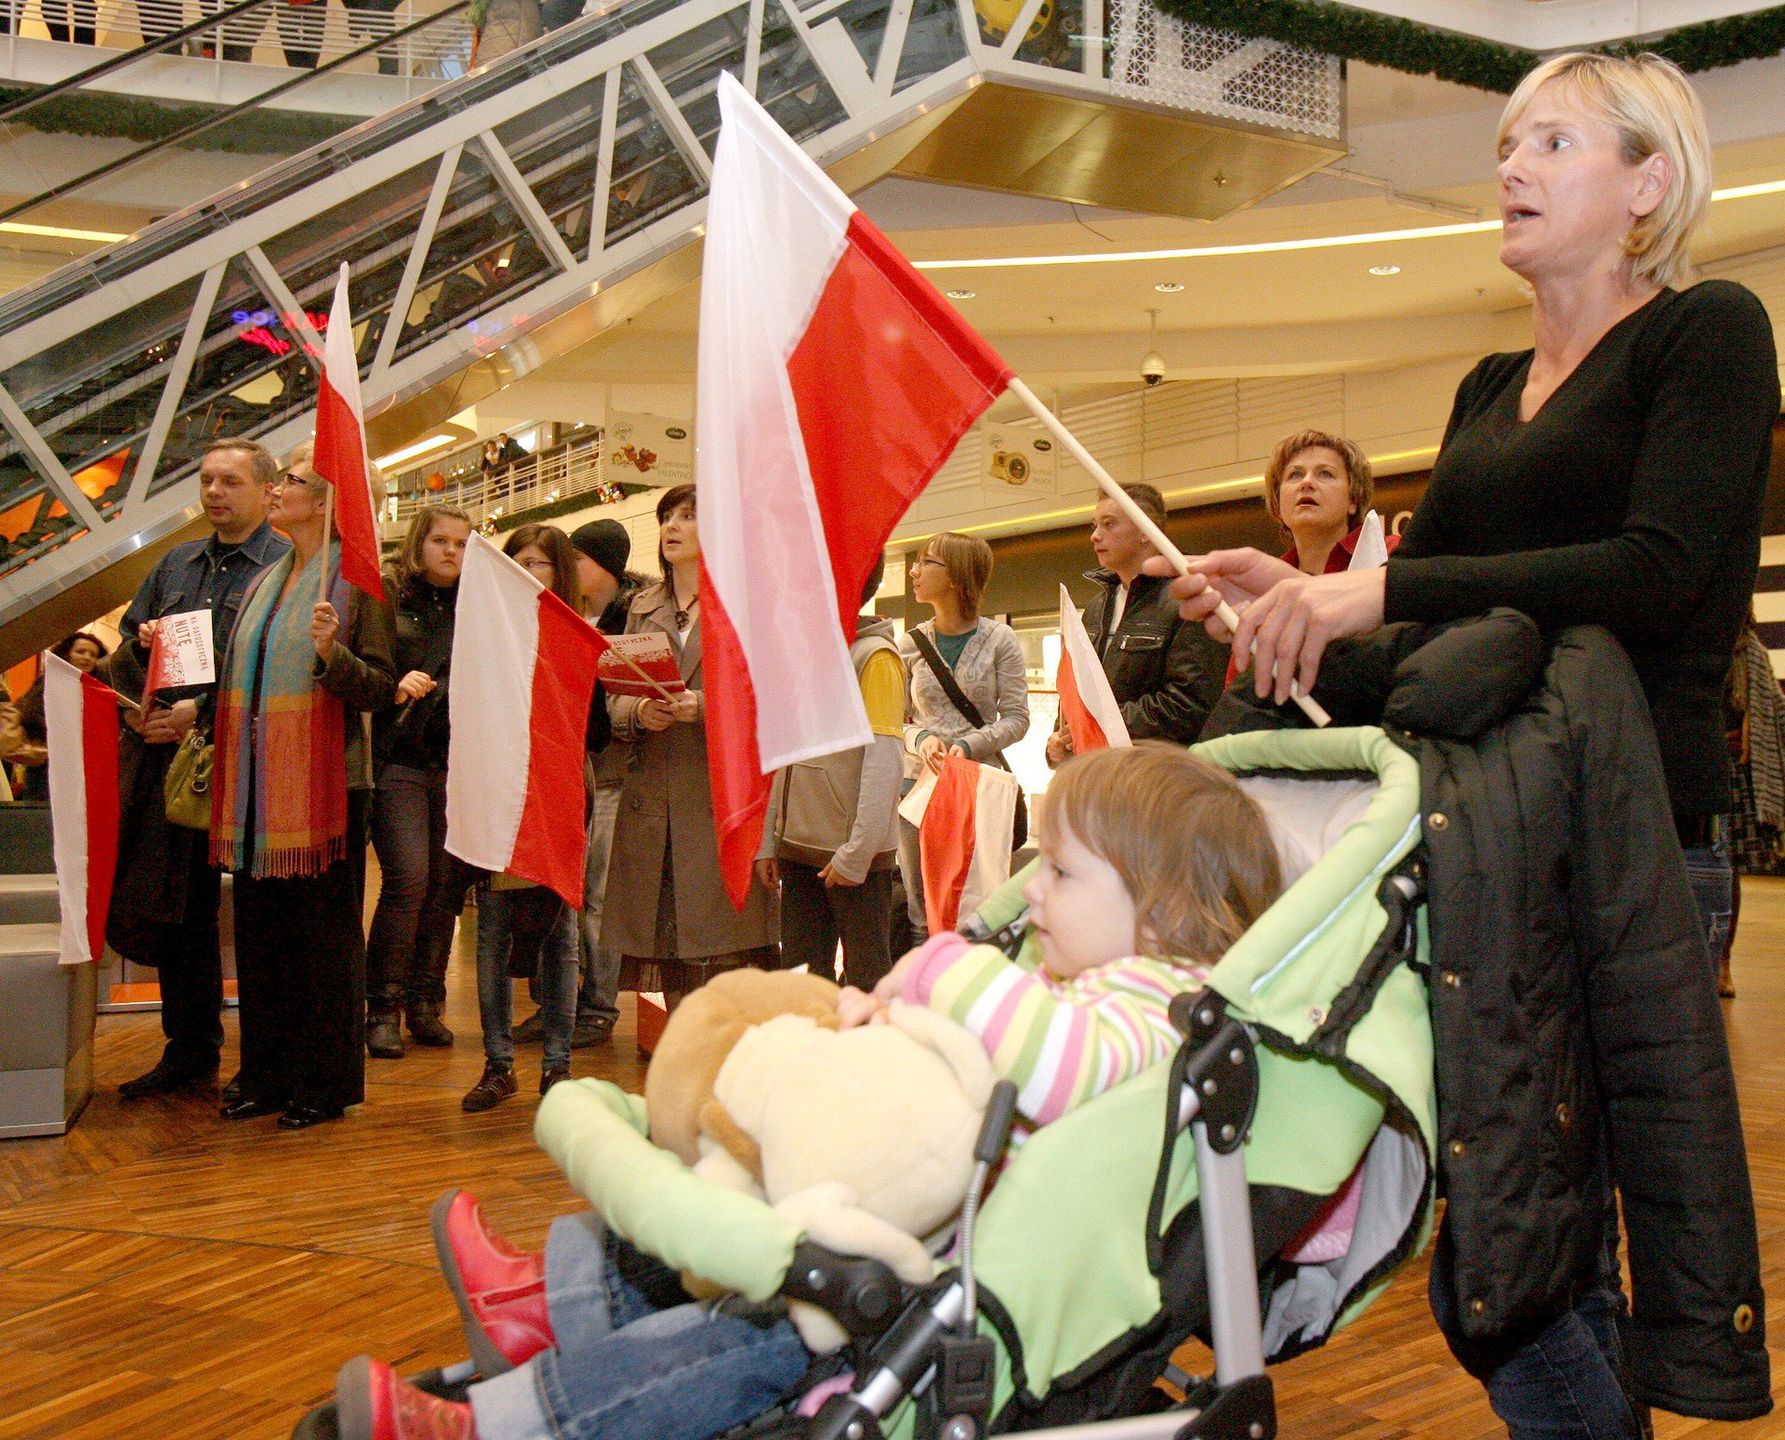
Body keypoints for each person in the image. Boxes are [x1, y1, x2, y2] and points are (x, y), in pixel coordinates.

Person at [1157, 51, 1778, 1437]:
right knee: (1524, 1244)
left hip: (1633, 850)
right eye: (1510, 141)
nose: (1510, 166)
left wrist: (1376, 587)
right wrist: (1292, 611)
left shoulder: (1708, 333)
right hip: (1491, 845)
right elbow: (1416, 636)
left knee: (1543, 1256)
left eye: (1552, 141)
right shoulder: (1490, 383)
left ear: (1647, 183)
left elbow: (1659, 568)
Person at [334, 742, 1282, 1439]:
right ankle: (548, 1298)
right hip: (921, 1223)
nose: (1031, 894)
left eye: (1061, 873)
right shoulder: (1085, 979)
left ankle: (508, 1423)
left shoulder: (1166, 1003)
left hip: (952, 1273)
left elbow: (1055, 1061)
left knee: (731, 1337)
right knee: (722, 1193)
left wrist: (943, 968)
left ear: (1163, 910)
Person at [211, 445, 395, 1130]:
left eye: (290, 481)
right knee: (263, 941)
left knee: (323, 947)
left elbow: (380, 687)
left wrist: (330, 657)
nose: (279, 490)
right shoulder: (268, 579)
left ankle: (323, 1082)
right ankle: (266, 1072)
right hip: (260, 792)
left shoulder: (358, 582)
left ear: (324, 501)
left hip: (328, 793)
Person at [105, 439, 291, 1101]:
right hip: (175, 765)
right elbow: (124, 655)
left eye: (230, 481)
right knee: (178, 913)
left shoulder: (285, 567)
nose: (215, 492)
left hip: (257, 765)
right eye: (207, 480)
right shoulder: (176, 564)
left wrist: (202, 715)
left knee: (262, 921)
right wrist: (140, 662)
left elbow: (280, 669)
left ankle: (266, 1065)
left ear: (268, 491)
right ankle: (189, 1053)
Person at [601, 484, 778, 1016]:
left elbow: (769, 697)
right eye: (666, 517)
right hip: (652, 795)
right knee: (668, 939)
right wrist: (637, 713)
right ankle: (685, 1057)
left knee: (723, 942)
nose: (671, 527)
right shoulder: (640, 606)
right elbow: (613, 694)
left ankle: (724, 1063)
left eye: (689, 516)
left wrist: (704, 706)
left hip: (720, 797)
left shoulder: (744, 605)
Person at [463, 524, 587, 1112]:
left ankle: (557, 1065)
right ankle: (498, 1064)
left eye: (539, 564)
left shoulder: (574, 635)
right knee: (491, 934)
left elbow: (600, 732)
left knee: (560, 939)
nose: (527, 572)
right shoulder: (484, 637)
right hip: (498, 796)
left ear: (558, 571)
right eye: (518, 561)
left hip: (559, 795)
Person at [756, 558, 905, 989]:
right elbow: (783, 754)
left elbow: (885, 760)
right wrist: (770, 840)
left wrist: (858, 852)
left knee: (866, 976)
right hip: (798, 850)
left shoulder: (875, 657)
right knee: (801, 977)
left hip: (853, 858)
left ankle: (862, 1057)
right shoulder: (802, 652)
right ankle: (810, 1054)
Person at [364, 505, 473, 1060]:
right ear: (418, 542)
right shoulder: (389, 597)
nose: (451, 551)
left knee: (445, 888)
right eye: (440, 540)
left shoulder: (476, 605)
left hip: (457, 762)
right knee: (409, 879)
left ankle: (425, 1003)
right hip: (398, 759)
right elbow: (366, 668)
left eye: (461, 542)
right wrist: (393, 684)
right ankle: (381, 1006)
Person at [538, 517, 646, 1048]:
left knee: (598, 893)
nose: (569, 568)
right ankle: (556, 999)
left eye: (578, 558)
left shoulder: (634, 617)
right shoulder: (562, 612)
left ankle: (599, 1004)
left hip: (613, 772)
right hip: (564, 765)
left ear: (605, 566)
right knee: (558, 888)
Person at [897, 531, 1029, 944]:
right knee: (921, 906)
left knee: (978, 900)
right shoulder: (911, 644)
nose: (915, 572)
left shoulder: (998, 640)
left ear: (956, 576)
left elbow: (1018, 718)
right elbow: (894, 720)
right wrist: (921, 739)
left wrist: (971, 743)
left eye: (927, 563)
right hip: (918, 786)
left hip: (978, 786)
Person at [1043, 483, 1225, 772]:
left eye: (1109, 524)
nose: (1094, 535)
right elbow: (1077, 692)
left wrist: (1101, 726)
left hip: (1158, 779)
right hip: (1099, 777)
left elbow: (1189, 703)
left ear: (1145, 532)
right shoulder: (1095, 607)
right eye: (1094, 525)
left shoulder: (1188, 599)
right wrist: (1061, 740)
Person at [7, 632, 109, 802]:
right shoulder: (52, 681)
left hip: (78, 768)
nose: (87, 658)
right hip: (47, 765)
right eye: (81, 652)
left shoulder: (94, 689)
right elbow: (32, 715)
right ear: (66, 653)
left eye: (94, 655)